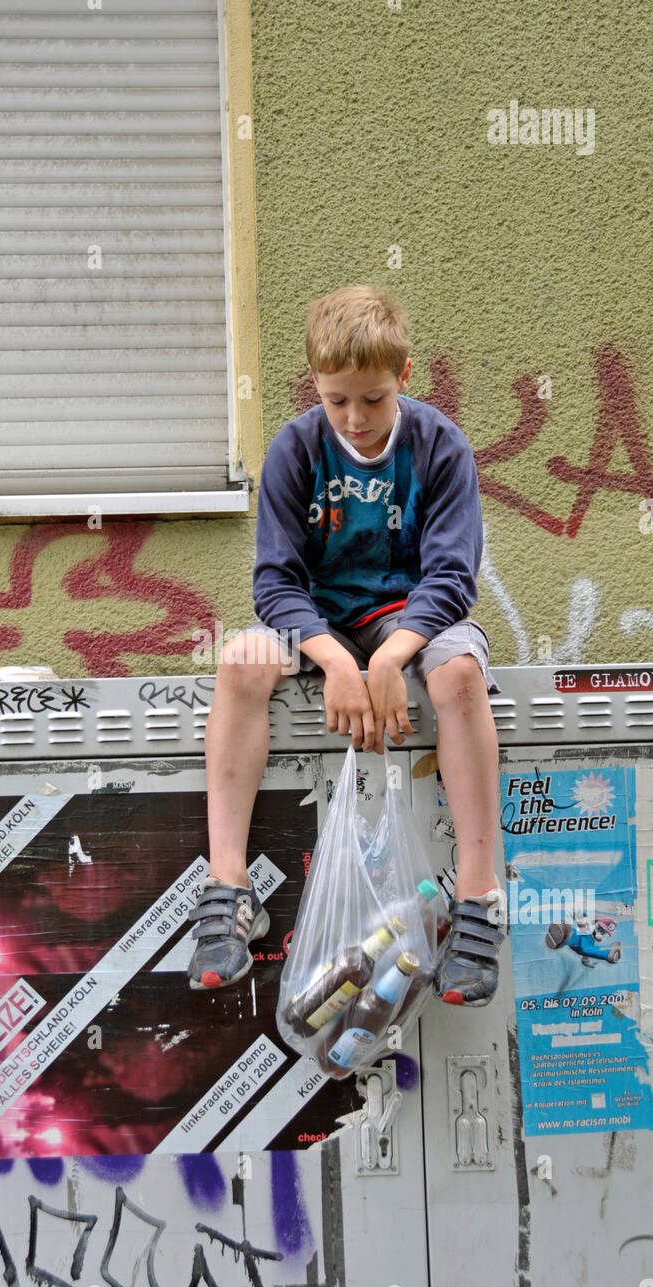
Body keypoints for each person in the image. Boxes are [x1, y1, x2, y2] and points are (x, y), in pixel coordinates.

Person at [187, 286, 505, 1006]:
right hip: (317, 623)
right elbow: (274, 583)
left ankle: (480, 903)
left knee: (456, 677)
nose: (355, 420)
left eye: (371, 399)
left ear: (404, 376)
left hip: (413, 618)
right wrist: (333, 659)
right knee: (239, 662)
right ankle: (227, 890)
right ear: (316, 388)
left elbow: (453, 576)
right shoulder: (296, 449)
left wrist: (392, 657)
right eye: (337, 402)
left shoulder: (438, 446)